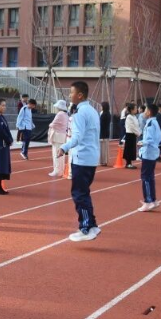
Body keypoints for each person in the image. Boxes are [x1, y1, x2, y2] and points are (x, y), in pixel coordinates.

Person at [58, 81, 102, 241]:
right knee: (83, 192)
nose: (69, 96)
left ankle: (86, 227)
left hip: (82, 158)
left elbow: (77, 137)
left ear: (80, 95)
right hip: (90, 157)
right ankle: (92, 225)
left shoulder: (80, 114)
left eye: (71, 93)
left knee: (79, 194)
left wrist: (64, 147)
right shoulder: (92, 111)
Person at [138, 103, 161, 212]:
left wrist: (142, 142)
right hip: (151, 153)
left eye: (145, 110)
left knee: (146, 177)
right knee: (150, 177)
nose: (144, 112)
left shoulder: (151, 123)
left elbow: (151, 139)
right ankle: (153, 199)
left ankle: (148, 201)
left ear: (149, 112)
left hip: (149, 153)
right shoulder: (153, 122)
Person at [48, 99, 70, 177]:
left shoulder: (60, 114)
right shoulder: (66, 114)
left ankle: (57, 171)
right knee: (61, 155)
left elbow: (53, 124)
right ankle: (60, 170)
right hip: (62, 136)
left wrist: (50, 124)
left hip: (57, 136)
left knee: (56, 154)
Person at [123, 103, 140, 169]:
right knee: (129, 149)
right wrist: (138, 133)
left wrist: (138, 132)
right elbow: (132, 127)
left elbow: (137, 126)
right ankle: (128, 163)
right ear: (132, 110)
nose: (137, 109)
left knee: (132, 149)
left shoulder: (134, 116)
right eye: (135, 108)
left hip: (133, 134)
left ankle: (130, 163)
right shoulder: (129, 117)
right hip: (130, 134)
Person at [99, 101, 112, 166]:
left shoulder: (103, 114)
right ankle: (105, 160)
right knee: (105, 148)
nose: (100, 107)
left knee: (103, 148)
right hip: (106, 132)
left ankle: (103, 161)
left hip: (103, 133)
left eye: (101, 106)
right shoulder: (108, 113)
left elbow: (101, 124)